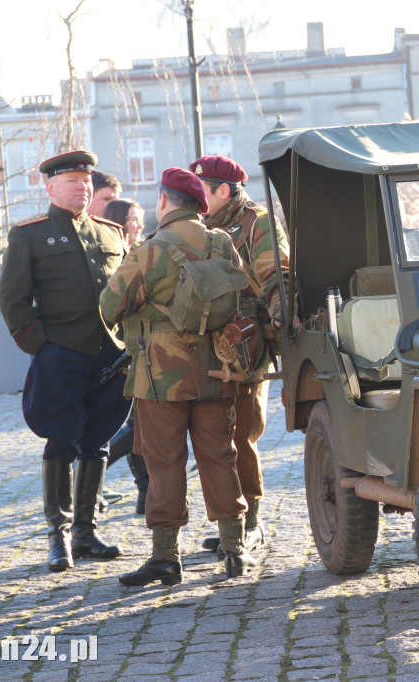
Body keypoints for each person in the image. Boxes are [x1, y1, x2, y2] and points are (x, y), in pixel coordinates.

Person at [100, 167, 252, 585]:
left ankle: (166, 559)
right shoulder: (222, 243)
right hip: (217, 370)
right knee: (220, 457)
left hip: (160, 376)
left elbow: (109, 304)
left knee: (164, 462)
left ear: (164, 201)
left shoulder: (151, 249)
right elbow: (240, 297)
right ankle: (234, 551)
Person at [0, 150, 128, 572]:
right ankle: (59, 535)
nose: (81, 187)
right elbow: (14, 299)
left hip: (109, 356)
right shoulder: (29, 235)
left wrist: (128, 344)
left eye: (85, 180)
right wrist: (41, 347)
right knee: (62, 440)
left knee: (99, 442)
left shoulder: (112, 233)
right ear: (50, 187)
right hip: (62, 355)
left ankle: (87, 533)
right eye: (71, 180)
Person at [189, 154, 290, 558]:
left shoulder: (256, 221)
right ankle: (231, 520)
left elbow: (275, 272)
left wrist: (283, 314)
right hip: (208, 343)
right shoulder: (201, 225)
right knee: (214, 437)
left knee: (241, 434)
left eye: (204, 191)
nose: (197, 198)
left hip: (247, 344)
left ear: (225, 191)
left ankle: (253, 522)